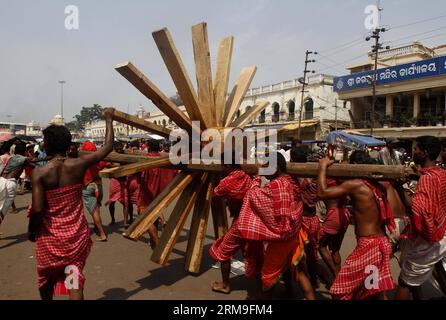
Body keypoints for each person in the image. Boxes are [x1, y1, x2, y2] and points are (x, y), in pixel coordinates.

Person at [28, 108, 114, 300]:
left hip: (50, 237)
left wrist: (32, 231)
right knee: (73, 277)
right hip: (75, 235)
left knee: (46, 279)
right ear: (68, 145)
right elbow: (107, 147)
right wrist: (109, 119)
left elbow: (38, 209)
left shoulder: (40, 174)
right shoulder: (78, 164)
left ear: (47, 145)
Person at [317, 150, 395, 300]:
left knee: (339, 290)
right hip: (381, 243)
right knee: (372, 289)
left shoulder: (356, 185)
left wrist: (322, 167)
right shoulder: (379, 184)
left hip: (368, 246)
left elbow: (322, 193)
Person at [238, 152, 315, 299]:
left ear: (275, 168)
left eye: (266, 167)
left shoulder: (276, 185)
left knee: (268, 276)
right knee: (299, 271)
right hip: (295, 233)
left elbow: (257, 198)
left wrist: (254, 181)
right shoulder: (292, 181)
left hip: (282, 239)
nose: (263, 171)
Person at [395, 136, 446, 299]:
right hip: (442, 231)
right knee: (438, 270)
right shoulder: (441, 174)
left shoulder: (427, 179)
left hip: (430, 237)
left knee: (405, 281)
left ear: (424, 153)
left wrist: (399, 187)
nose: (413, 152)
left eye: (415, 149)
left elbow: (417, 209)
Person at [209, 163, 264, 296]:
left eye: (223, 166)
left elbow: (215, 193)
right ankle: (260, 288)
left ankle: (226, 285)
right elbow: (258, 177)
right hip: (253, 219)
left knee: (223, 251)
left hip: (241, 221)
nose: (222, 168)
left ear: (227, 165)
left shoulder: (227, 181)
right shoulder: (249, 176)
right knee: (253, 254)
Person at [1, 143, 33, 226]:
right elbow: (35, 161)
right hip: (10, 182)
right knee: (3, 210)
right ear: (25, 151)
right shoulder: (23, 158)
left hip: (1, 180)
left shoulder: (11, 157)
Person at [81, 141, 108, 242]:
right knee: (97, 208)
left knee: (94, 211)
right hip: (98, 186)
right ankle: (97, 227)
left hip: (88, 187)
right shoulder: (98, 159)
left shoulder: (81, 160)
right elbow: (104, 163)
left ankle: (102, 233)